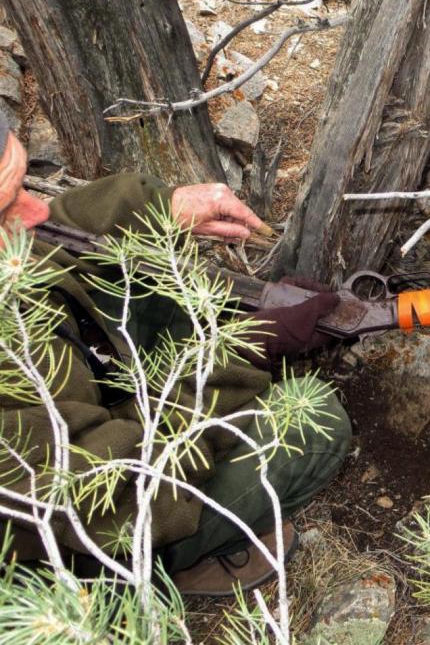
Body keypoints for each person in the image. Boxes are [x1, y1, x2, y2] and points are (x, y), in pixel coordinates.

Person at [0, 119, 351, 596]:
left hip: (88, 433)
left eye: (23, 185)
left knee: (148, 287)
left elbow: (57, 229)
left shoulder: (15, 250)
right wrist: (238, 352)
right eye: (6, 209)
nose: (37, 210)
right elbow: (124, 493)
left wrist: (158, 208)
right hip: (89, 532)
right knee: (313, 419)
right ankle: (153, 575)